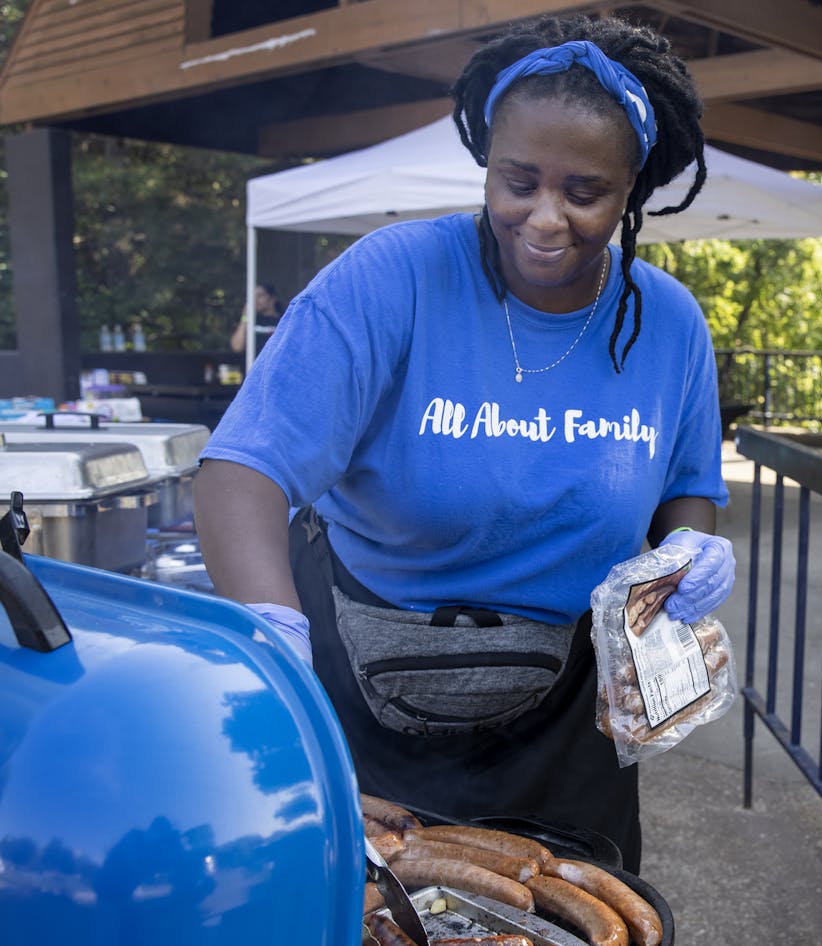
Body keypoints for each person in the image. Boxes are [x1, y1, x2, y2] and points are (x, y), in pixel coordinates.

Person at [192, 14, 733, 873]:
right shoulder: (389, 277)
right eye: (518, 181)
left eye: (584, 193)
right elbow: (241, 472)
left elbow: (686, 487)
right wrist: (271, 635)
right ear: (486, 163)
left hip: (566, 719)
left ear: (633, 189)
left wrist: (685, 555)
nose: (544, 219)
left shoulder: (666, 323)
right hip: (358, 687)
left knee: (568, 912)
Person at [227, 281, 284, 356]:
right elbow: (237, 347)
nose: (255, 299)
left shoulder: (283, 321)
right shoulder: (250, 320)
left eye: (260, 295)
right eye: (253, 296)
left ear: (272, 298)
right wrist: (245, 317)